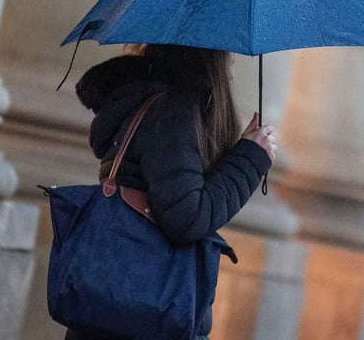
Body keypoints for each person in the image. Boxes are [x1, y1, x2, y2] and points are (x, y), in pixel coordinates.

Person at [66, 44, 276, 340]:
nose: (233, 62)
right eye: (229, 52)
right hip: (144, 317)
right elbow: (187, 217)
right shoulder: (170, 114)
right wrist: (249, 159)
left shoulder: (153, 105)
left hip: (122, 313)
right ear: (209, 55)